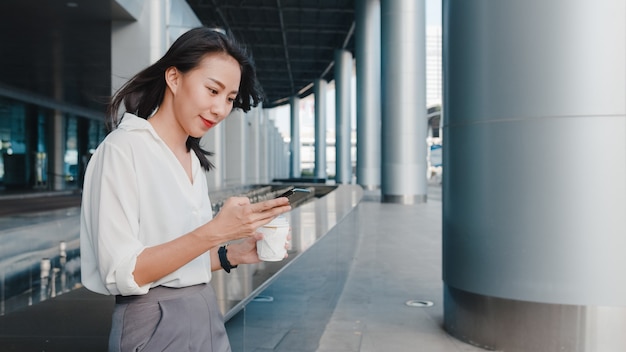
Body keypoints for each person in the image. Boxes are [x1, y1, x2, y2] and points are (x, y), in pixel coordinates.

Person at [79, 27, 291, 352]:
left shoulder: (192, 160)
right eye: (212, 90)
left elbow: (179, 256)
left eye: (230, 98)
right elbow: (122, 271)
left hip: (204, 310)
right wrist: (216, 231)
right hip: (153, 321)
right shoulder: (123, 150)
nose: (221, 109)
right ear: (174, 78)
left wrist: (233, 252)